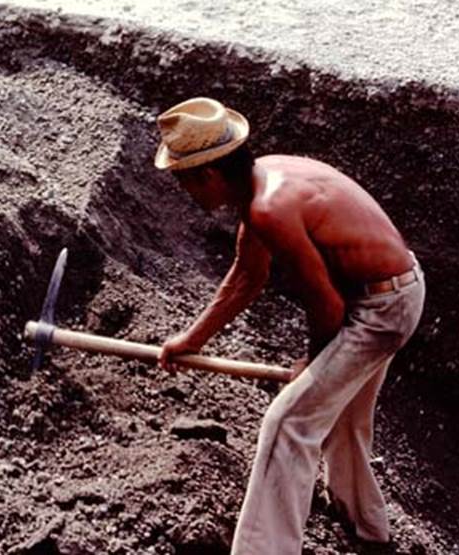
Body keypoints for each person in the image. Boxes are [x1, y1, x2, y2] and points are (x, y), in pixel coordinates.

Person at [153, 97, 424, 554]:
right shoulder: (263, 181)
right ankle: (367, 529)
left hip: (381, 309)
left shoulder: (269, 208)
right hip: (393, 291)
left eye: (184, 182)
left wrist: (314, 362)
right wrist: (191, 340)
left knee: (286, 424)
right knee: (342, 416)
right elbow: (247, 276)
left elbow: (326, 303)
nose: (186, 194)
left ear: (209, 174)